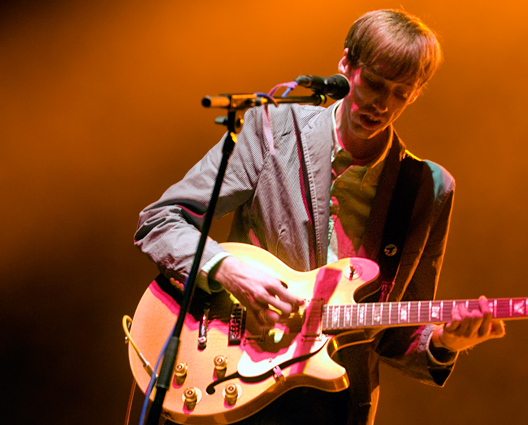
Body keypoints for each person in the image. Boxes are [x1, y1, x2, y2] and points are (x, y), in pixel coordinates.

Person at [134, 9, 505, 425]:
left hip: (332, 406)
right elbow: (162, 220)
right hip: (230, 377)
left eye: (400, 93)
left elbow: (397, 334)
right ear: (346, 64)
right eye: (374, 83)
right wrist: (229, 271)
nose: (382, 104)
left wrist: (443, 342)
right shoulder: (271, 130)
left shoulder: (428, 188)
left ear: (416, 93)